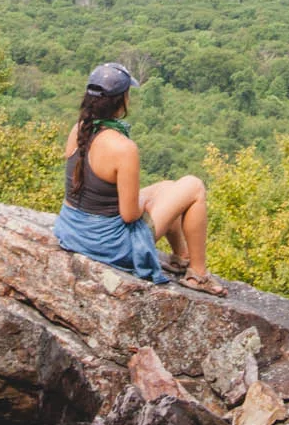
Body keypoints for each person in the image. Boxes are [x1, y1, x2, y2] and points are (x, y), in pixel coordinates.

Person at [52, 61, 227, 295]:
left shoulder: (79, 129)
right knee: (193, 186)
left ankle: (180, 258)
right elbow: (129, 214)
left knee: (167, 187)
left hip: (72, 230)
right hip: (110, 245)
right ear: (122, 100)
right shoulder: (124, 148)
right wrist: (144, 204)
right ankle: (198, 274)